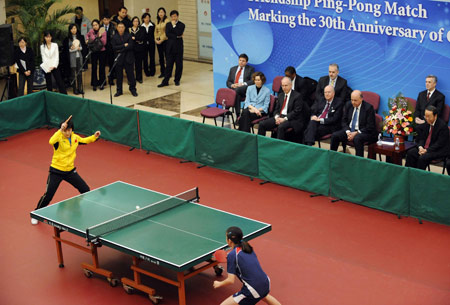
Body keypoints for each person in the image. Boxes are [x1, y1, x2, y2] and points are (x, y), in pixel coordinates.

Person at [32, 115, 101, 225]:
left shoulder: (75, 138)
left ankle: (83, 208)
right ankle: (36, 213)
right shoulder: (58, 139)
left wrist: (94, 136)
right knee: (48, 195)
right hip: (56, 171)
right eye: (65, 130)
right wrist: (60, 130)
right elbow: (51, 141)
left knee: (85, 189)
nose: (67, 133)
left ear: (72, 130)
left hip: (70, 171)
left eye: (69, 130)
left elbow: (84, 140)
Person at [213, 226, 282, 305]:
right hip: (265, 283)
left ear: (229, 240)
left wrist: (219, 283)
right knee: (263, 295)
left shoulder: (232, 255)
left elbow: (230, 280)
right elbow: (243, 260)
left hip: (252, 289)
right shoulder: (247, 246)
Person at [257, 77, 309, 141]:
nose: (284, 87)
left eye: (286, 85)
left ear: (291, 85)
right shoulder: (280, 95)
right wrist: (276, 117)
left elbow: (296, 111)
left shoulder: (297, 96)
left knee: (281, 127)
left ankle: (279, 147)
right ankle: (260, 144)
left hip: (291, 119)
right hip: (279, 117)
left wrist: (284, 119)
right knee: (262, 124)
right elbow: (276, 109)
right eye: (282, 86)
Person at [330, 90, 377, 157]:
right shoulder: (348, 105)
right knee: (335, 135)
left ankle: (358, 161)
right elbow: (344, 121)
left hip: (363, 132)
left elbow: (370, 126)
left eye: (355, 100)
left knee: (357, 138)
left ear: (361, 99)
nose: (353, 102)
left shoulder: (368, 108)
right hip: (349, 130)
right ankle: (332, 157)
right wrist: (348, 132)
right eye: (352, 100)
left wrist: (356, 132)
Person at [406, 105, 449, 170]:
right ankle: (409, 174)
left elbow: (439, 144)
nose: (427, 118)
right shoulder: (426, 123)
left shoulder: (442, 127)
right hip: (425, 148)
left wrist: (426, 150)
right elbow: (421, 138)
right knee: (411, 153)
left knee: (422, 158)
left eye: (429, 117)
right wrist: (420, 147)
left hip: (437, 150)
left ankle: (419, 177)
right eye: (425, 116)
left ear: (435, 116)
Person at [157, 10, 185, 88]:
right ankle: (165, 81)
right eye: (172, 16)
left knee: (179, 65)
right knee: (169, 65)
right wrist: (176, 36)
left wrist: (174, 28)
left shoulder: (181, 24)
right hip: (170, 48)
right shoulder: (168, 24)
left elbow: (179, 32)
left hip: (178, 48)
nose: (173, 18)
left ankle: (177, 80)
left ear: (177, 16)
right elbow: (168, 34)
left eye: (175, 16)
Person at [111, 22, 137, 97]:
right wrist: (123, 46)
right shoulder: (114, 37)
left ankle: (133, 89)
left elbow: (131, 46)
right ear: (117, 28)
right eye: (119, 27)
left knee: (131, 75)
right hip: (119, 58)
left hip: (128, 58)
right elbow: (114, 48)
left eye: (122, 27)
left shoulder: (128, 35)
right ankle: (119, 90)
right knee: (119, 76)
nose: (121, 29)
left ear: (124, 28)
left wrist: (120, 49)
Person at [62, 24, 87, 95]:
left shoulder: (80, 37)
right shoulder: (67, 39)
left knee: (79, 73)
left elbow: (82, 48)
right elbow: (68, 50)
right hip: (72, 58)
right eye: (72, 29)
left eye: (75, 28)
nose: (74, 30)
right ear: (70, 30)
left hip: (79, 57)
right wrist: (73, 49)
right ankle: (74, 89)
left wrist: (78, 48)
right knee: (73, 74)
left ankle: (80, 88)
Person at [86, 19, 107, 91]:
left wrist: (100, 37)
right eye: (93, 25)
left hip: (102, 51)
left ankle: (102, 83)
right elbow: (87, 36)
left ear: (99, 25)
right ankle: (94, 84)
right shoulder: (91, 31)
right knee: (94, 67)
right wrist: (87, 39)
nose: (95, 26)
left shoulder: (103, 31)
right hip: (94, 51)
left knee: (101, 68)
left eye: (96, 25)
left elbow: (104, 42)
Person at [130, 16, 145, 84]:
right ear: (132, 22)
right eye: (134, 21)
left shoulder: (142, 28)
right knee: (131, 64)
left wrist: (134, 38)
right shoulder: (129, 29)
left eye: (137, 21)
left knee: (139, 64)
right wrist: (136, 39)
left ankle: (139, 78)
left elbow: (142, 38)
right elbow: (129, 38)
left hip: (139, 48)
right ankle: (131, 79)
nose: (136, 22)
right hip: (131, 49)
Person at [155, 7, 169, 78]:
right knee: (161, 57)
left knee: (167, 57)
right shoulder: (157, 21)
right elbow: (155, 31)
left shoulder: (167, 21)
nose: (161, 13)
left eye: (162, 12)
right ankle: (162, 72)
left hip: (165, 41)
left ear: (165, 13)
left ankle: (168, 73)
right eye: (159, 12)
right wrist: (156, 39)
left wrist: (161, 40)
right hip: (158, 41)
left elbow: (167, 32)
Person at [102, 14, 116, 86]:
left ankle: (111, 79)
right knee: (103, 64)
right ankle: (103, 80)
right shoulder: (100, 27)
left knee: (111, 64)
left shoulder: (113, 27)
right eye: (104, 19)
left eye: (107, 19)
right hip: (102, 48)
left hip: (111, 48)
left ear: (109, 20)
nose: (106, 21)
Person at [141, 12, 156, 77]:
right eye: (145, 18)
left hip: (151, 43)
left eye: (148, 18)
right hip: (144, 44)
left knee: (152, 57)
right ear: (143, 19)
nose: (147, 19)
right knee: (145, 58)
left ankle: (152, 71)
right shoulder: (141, 26)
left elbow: (155, 34)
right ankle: (146, 71)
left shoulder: (152, 25)